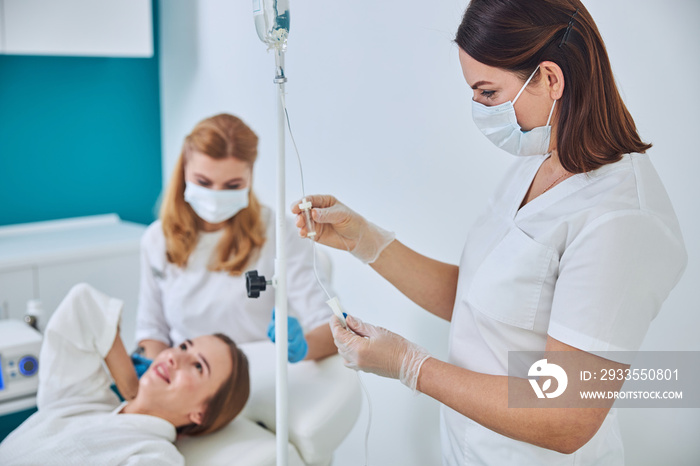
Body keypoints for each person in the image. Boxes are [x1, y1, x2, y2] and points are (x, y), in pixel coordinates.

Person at [291, 1, 687, 464]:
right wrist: (365, 240)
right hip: (470, 448)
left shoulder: (622, 220)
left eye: (488, 92)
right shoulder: (543, 156)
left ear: (550, 79)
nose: (478, 108)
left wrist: (410, 366)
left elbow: (568, 416)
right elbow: (483, 301)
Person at [135, 113, 336, 364]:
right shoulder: (157, 239)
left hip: (259, 374)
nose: (216, 195)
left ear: (249, 177)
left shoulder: (279, 231)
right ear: (184, 169)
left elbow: (332, 330)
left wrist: (303, 347)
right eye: (203, 182)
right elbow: (152, 332)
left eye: (232, 185)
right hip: (189, 380)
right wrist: (155, 374)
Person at [0, 283, 250, 465]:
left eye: (198, 366)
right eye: (184, 346)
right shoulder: (84, 400)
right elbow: (82, 303)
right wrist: (130, 384)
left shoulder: (155, 456)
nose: (175, 356)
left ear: (200, 413)